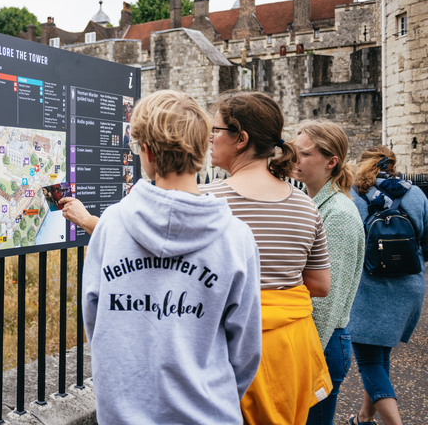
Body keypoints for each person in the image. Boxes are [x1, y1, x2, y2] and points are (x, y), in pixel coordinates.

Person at [83, 90, 262, 424]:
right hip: (208, 413)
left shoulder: (111, 224)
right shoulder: (236, 238)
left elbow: (95, 322)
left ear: (147, 152)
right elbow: (247, 348)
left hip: (124, 413)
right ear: (203, 150)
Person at [201, 91, 332, 425]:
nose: (210, 138)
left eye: (216, 130)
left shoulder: (205, 202)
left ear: (241, 139)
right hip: (290, 352)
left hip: (228, 350)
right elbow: (319, 284)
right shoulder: (306, 206)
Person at [346, 146, 428, 425]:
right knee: (380, 356)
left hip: (369, 289)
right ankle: (364, 418)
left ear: (361, 164)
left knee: (369, 362)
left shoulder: (354, 196)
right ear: (393, 165)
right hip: (409, 287)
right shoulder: (416, 194)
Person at [293, 120, 366, 425]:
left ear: (331, 161)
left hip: (321, 344)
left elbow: (327, 299)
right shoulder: (318, 204)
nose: (295, 160)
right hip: (316, 341)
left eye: (304, 154)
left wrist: (306, 362)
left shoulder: (337, 214)